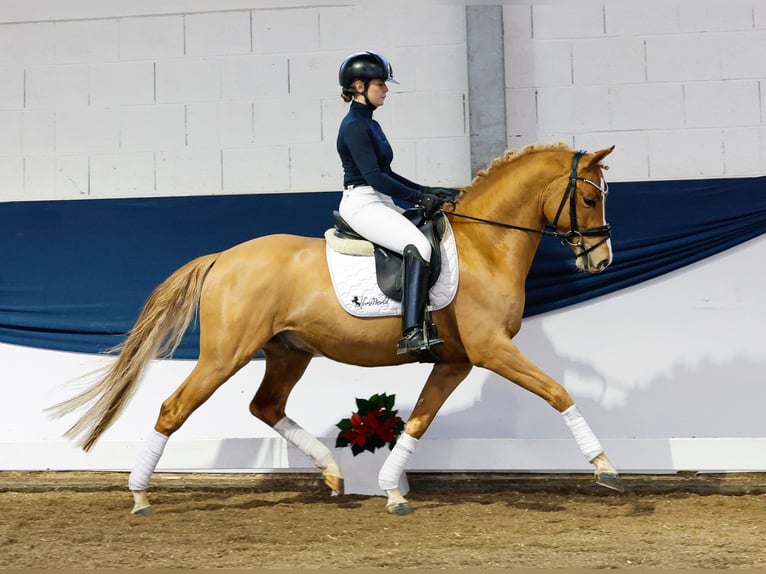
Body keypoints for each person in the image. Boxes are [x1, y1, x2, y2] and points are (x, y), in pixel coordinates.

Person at [336, 50, 456, 360]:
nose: (386, 90)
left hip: (380, 199)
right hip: (363, 202)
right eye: (380, 84)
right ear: (360, 87)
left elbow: (386, 174)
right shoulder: (354, 126)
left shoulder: (370, 124)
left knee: (429, 232)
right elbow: (374, 177)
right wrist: (417, 197)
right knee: (418, 244)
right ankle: (412, 332)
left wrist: (428, 190)